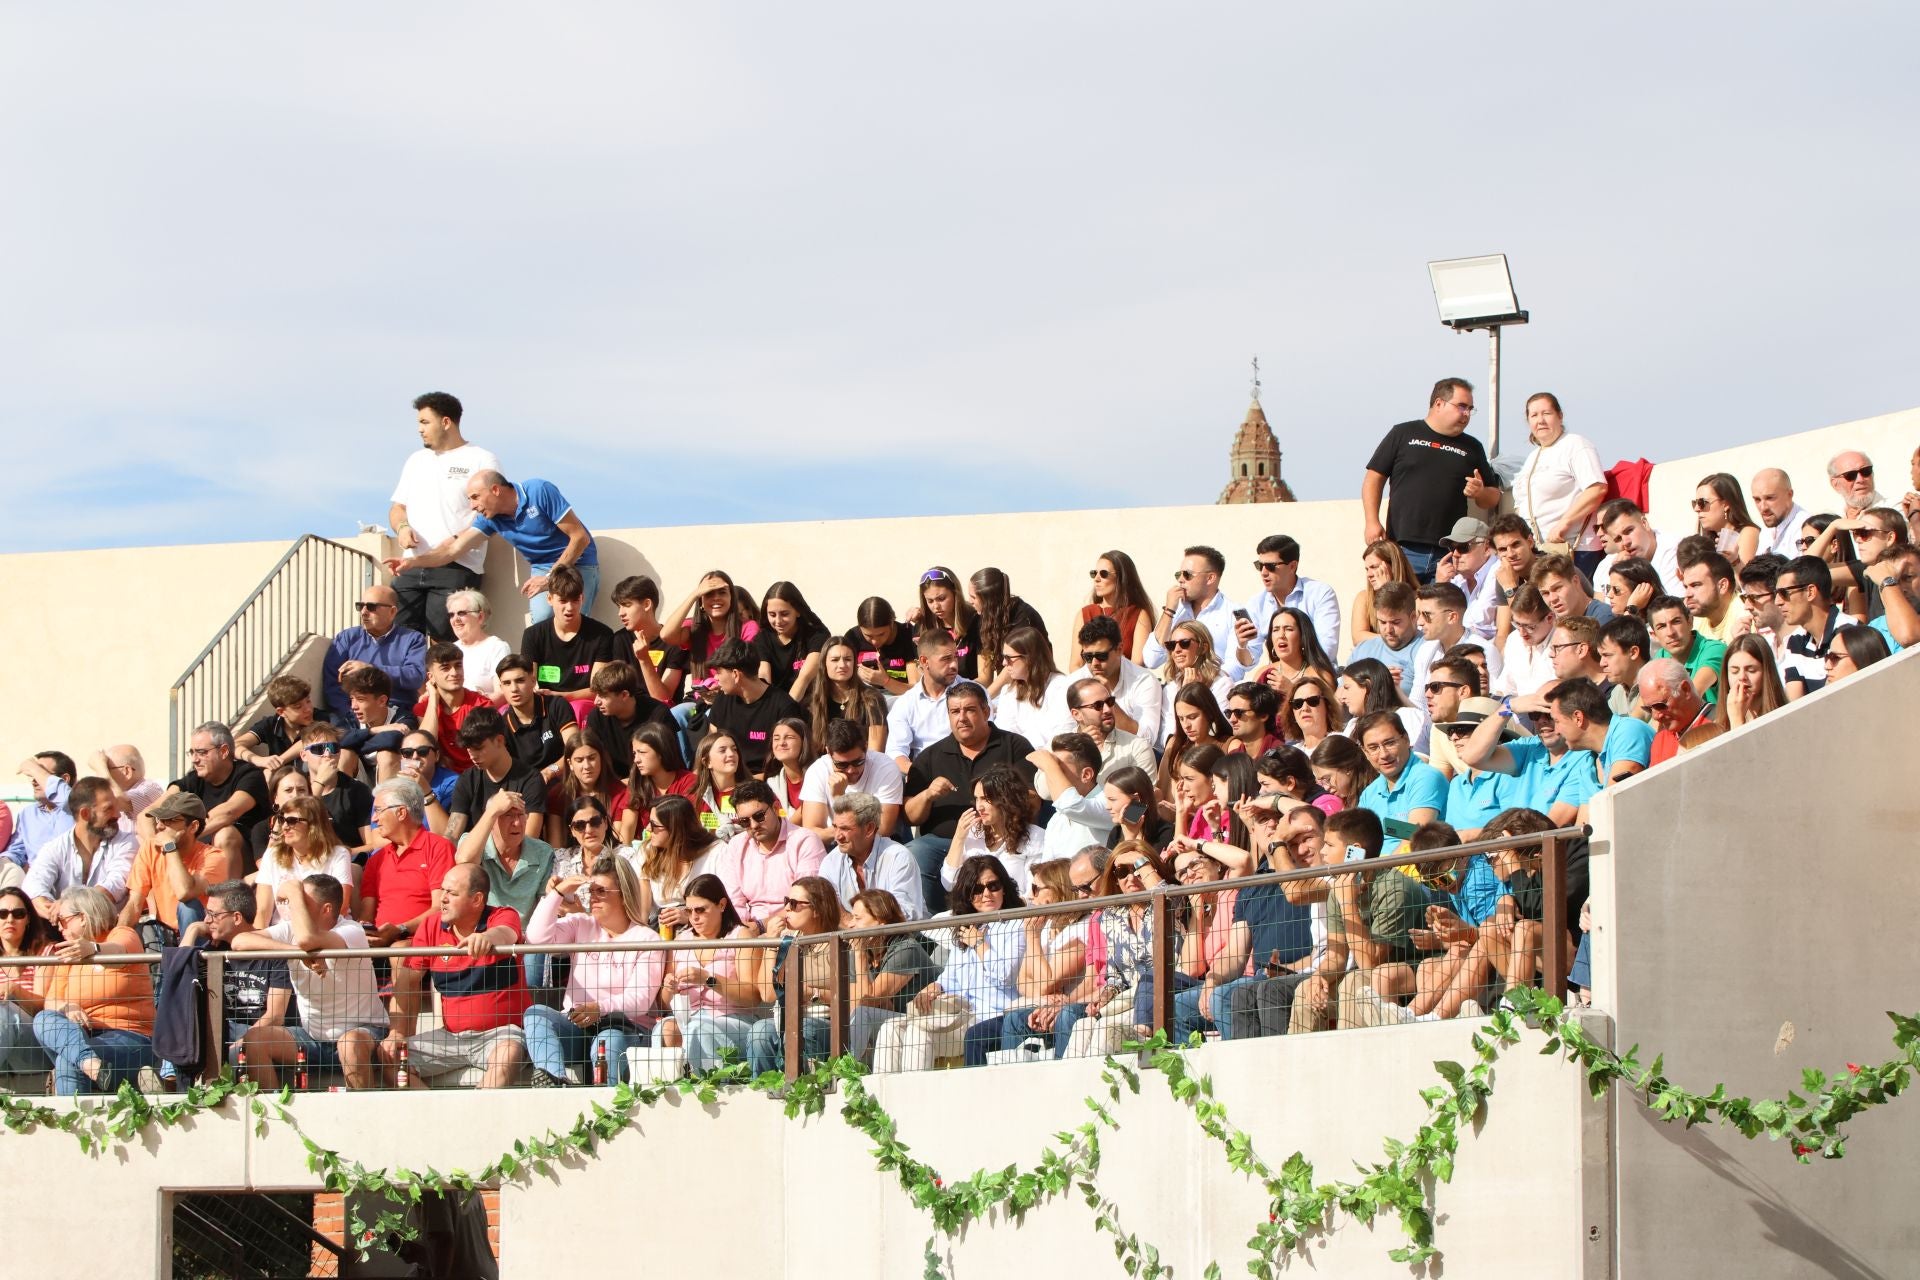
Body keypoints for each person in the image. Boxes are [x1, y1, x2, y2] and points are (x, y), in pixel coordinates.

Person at [381, 863, 531, 1089]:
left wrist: (487, 938)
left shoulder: (502, 915)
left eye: (451, 893)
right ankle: (437, 1111)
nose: (442, 898)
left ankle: (477, 1110)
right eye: (442, 890)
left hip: (502, 1036)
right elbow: (406, 982)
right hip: (450, 1038)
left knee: (508, 1054)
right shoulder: (431, 926)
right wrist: (397, 1032)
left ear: (477, 899)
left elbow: (506, 933)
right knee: (388, 1056)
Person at [1288, 808, 1438, 1033]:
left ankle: (1355, 1055)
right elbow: (1337, 956)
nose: (1323, 851)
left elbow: (1371, 963)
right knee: (1306, 990)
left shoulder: (1394, 888)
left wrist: (1348, 903)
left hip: (1415, 974)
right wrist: (1319, 976)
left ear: (1354, 852)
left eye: (1329, 845)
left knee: (1355, 983)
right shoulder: (1339, 887)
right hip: (1376, 975)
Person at [871, 855, 1026, 1072]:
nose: (986, 894)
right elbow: (950, 978)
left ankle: (915, 1092)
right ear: (967, 895)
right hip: (959, 1013)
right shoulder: (965, 928)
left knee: (919, 1033)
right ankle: (882, 1092)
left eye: (993, 886)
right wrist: (934, 987)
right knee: (891, 1027)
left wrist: (979, 944)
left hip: (992, 1016)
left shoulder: (1016, 926)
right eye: (977, 889)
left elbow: (1005, 977)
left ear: (1004, 888)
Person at [235, 873, 388, 1089]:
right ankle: (272, 1108)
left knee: (349, 1045)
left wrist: (292, 890)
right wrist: (296, 952)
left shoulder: (352, 930)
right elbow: (239, 941)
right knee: (254, 1040)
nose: (294, 908)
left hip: (363, 1034)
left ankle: (362, 1109)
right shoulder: (290, 930)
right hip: (313, 1038)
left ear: (326, 909)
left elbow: (308, 939)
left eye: (302, 901)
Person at [386, 470, 600, 622]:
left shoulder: (538, 490)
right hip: (542, 567)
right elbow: (453, 550)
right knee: (542, 622)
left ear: (495, 490)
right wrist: (411, 561)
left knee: (574, 621)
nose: (472, 506)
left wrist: (549, 578)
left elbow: (580, 538)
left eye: (475, 497)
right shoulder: (490, 519)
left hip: (578, 561)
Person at [523, 854, 663, 1087]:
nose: (593, 898)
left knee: (608, 1040)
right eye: (591, 891)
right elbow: (536, 938)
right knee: (536, 1013)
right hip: (577, 1024)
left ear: (623, 893)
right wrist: (557, 894)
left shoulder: (647, 938)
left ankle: (606, 1105)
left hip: (625, 1028)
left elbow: (640, 1000)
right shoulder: (581, 923)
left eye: (601, 891)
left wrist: (599, 1009)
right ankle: (555, 1083)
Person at [902, 682, 1037, 914]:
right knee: (916, 851)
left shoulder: (1014, 745)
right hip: (944, 842)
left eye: (970, 710)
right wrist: (928, 795)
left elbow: (1033, 799)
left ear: (986, 711)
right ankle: (935, 919)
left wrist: (1003, 815)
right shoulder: (930, 756)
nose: (961, 718)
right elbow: (909, 816)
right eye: (955, 711)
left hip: (1003, 836)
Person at [1361, 377, 1503, 581]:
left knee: (1445, 603)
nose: (1466, 414)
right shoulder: (1403, 434)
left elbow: (1493, 497)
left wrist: (1480, 492)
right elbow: (1373, 478)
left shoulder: (1472, 447)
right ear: (1438, 403)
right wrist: (1371, 521)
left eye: (1470, 409)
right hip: (1403, 548)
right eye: (1461, 406)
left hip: (1450, 552)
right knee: (1400, 601)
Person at [388, 391, 498, 640]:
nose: (420, 429)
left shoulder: (482, 458)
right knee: (401, 640)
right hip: (412, 564)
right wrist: (402, 527)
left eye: (425, 422)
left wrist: (457, 541)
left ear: (446, 422)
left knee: (445, 642)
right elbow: (397, 508)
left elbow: (491, 513)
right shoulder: (416, 460)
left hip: (457, 566)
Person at [31, 885, 157, 1094]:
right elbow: (50, 1001)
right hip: (81, 1035)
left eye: (62, 920)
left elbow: (118, 953)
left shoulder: (121, 934)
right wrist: (66, 1007)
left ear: (82, 917)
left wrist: (93, 949)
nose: (59, 928)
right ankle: (93, 1066)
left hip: (129, 1035)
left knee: (67, 1061)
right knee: (43, 1019)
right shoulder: (68, 954)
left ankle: (88, 1073)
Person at [656, 873, 763, 1071]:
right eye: (689, 911)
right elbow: (663, 1004)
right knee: (666, 1029)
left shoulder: (741, 937)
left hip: (734, 1020)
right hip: (689, 1019)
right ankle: (669, 1085)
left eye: (700, 910)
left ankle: (705, 1083)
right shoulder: (681, 941)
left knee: (698, 1029)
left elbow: (753, 997)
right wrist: (669, 988)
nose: (694, 917)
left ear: (722, 905)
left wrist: (708, 979)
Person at [745, 875, 843, 1074]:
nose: (786, 908)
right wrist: (772, 944)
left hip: (827, 1023)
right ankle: (765, 1088)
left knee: (802, 1029)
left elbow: (853, 995)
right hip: (786, 1019)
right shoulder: (787, 941)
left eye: (794, 903)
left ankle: (807, 1086)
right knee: (759, 1032)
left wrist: (812, 993)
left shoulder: (839, 943)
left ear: (817, 909)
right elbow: (768, 994)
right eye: (786, 901)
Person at [995, 860, 1091, 1056]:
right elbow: (1022, 982)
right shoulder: (1046, 927)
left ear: (1057, 889)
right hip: (1048, 1005)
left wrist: (1032, 938)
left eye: (1036, 888)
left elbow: (1045, 983)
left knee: (1016, 1019)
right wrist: (1044, 996)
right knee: (1013, 1020)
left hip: (1076, 1007)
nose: (1031, 896)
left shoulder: (1082, 927)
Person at [712, 780, 827, 928]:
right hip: (749, 930)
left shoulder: (805, 841)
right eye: (745, 821)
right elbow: (734, 902)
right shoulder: (736, 846)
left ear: (776, 808)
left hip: (794, 929)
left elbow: (804, 904)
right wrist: (742, 929)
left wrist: (760, 927)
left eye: (759, 816)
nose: (754, 825)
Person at [1513, 392, 1609, 570]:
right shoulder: (1532, 457)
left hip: (1575, 549)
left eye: (1546, 413)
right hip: (1541, 551)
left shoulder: (1576, 444)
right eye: (1534, 415)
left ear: (1560, 416)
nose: (1540, 420)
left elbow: (1597, 488)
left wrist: (1564, 523)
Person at [358, 777, 457, 947]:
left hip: (423, 940)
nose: (374, 819)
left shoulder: (438, 848)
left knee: (399, 949)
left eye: (379, 810)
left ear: (401, 813)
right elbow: (366, 914)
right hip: (379, 944)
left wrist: (401, 929)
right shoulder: (377, 860)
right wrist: (366, 932)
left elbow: (441, 908)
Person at [843, 890, 938, 1062]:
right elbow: (854, 1007)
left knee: (863, 1015)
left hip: (921, 1023)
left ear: (881, 922)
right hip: (891, 1023)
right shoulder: (858, 952)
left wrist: (859, 956)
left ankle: (848, 1069)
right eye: (852, 917)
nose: (850, 924)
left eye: (858, 918)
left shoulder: (906, 949)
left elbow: (868, 1001)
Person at [164, 722, 270, 876]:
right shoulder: (194, 780)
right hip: (203, 856)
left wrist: (181, 836)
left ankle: (229, 891)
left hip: (250, 862)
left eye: (201, 752)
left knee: (225, 834)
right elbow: (154, 810)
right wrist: (156, 839)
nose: (194, 759)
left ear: (224, 751)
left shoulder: (250, 775)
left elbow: (228, 812)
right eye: (192, 752)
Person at [118, 792, 229, 937]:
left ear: (193, 826)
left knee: (188, 906)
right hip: (164, 935)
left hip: (201, 936)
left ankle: (187, 952)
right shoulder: (151, 848)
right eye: (159, 819)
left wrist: (170, 848)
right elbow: (134, 904)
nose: (159, 826)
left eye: (169, 821)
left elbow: (184, 893)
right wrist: (117, 939)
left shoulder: (214, 857)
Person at [23, 776, 136, 916]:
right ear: (85, 814)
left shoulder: (127, 842)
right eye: (108, 809)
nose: (118, 815)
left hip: (110, 927)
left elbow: (116, 884)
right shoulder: (55, 848)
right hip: (62, 925)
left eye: (116, 807)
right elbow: (33, 887)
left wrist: (69, 906)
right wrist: (49, 910)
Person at [455, 790, 557, 940]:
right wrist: (492, 811)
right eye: (508, 816)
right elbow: (464, 861)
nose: (517, 823)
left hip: (527, 940)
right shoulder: (475, 844)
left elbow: (544, 906)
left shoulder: (543, 852)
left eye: (521, 815)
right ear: (491, 820)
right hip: (483, 937)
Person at [518, 565, 618, 710]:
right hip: (546, 705)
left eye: (575, 600)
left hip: (584, 705)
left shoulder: (602, 635)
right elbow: (527, 681)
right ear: (550, 599)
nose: (570, 608)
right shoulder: (533, 635)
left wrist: (563, 696)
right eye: (563, 601)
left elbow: (598, 689)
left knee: (578, 708)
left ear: (582, 598)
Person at [322, 583, 428, 721]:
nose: (364, 612)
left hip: (396, 713)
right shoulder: (347, 638)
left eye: (371, 607)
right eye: (360, 606)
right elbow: (332, 683)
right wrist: (349, 714)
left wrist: (372, 669)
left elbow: (415, 676)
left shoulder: (413, 639)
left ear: (392, 612)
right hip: (353, 715)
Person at [1142, 545, 1249, 678]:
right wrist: (1168, 611)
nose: (1180, 579)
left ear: (1210, 578)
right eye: (1178, 574)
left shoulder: (1235, 612)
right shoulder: (1175, 610)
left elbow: (1237, 667)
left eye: (1187, 574)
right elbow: (1151, 660)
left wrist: (1204, 683)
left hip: (1217, 688)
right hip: (1178, 687)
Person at [941, 763, 1046, 899]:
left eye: (986, 799)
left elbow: (1032, 894)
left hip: (1015, 909)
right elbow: (949, 883)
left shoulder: (1035, 836)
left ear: (1007, 800)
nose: (979, 807)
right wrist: (959, 838)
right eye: (977, 798)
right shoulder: (972, 833)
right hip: (974, 908)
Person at [705, 641, 808, 777]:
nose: (716, 678)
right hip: (727, 777)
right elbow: (710, 746)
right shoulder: (723, 699)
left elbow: (790, 765)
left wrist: (748, 782)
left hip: (767, 781)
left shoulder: (784, 707)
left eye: (718, 672)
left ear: (735, 674)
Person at [448, 708, 549, 843]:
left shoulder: (531, 780)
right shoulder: (467, 779)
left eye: (478, 748)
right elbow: (451, 836)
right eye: (468, 748)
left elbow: (529, 842)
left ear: (499, 740)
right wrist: (493, 811)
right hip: (477, 853)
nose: (472, 756)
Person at [819, 792, 926, 919]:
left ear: (869, 829)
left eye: (845, 829)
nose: (837, 836)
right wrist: (851, 924)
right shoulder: (831, 861)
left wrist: (857, 924)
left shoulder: (898, 857)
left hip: (902, 932)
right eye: (835, 827)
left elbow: (904, 914)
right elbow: (826, 908)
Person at [252, 794, 354, 926]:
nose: (285, 826)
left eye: (292, 821)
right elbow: (262, 911)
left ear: (314, 824)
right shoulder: (273, 854)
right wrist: (258, 937)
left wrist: (305, 933)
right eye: (282, 820)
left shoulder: (338, 854)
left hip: (329, 929)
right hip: (285, 929)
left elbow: (341, 907)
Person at [797, 719, 903, 844]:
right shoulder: (817, 771)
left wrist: (839, 799)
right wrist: (848, 831)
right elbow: (812, 833)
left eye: (858, 762)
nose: (851, 770)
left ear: (866, 748)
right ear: (828, 753)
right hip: (834, 845)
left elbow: (884, 830)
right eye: (842, 765)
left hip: (878, 845)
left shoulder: (885, 767)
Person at [1353, 712, 1446, 853]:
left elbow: (1415, 841)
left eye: (1389, 743)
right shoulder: (1369, 793)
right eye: (1373, 748)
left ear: (1406, 740)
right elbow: (1358, 845)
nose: (1384, 754)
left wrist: (1382, 868)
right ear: (1365, 752)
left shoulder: (1426, 777)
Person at [1243, 535, 1342, 662]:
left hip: (1316, 672)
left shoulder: (1320, 593)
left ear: (1292, 566)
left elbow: (1327, 649)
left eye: (1270, 566)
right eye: (1259, 565)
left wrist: (1293, 672)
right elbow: (1249, 659)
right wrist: (1241, 646)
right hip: (1278, 672)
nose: (1263, 572)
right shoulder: (1256, 603)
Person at [1066, 616, 1164, 745]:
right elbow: (1060, 734)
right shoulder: (1073, 682)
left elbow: (1147, 739)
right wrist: (1082, 739)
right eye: (1088, 657)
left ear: (1119, 649)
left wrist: (1109, 701)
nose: (1094, 663)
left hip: (1131, 754)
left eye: (1101, 656)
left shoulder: (1144, 681)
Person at [1775, 556, 1856, 699]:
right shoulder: (1795, 641)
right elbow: (1795, 705)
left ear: (1811, 592)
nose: (1777, 602)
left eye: (1784, 593)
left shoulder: (1849, 635)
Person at [1546, 678, 1654, 785]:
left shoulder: (1628, 731)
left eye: (1557, 721)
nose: (1556, 731)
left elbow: (1618, 793)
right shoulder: (1588, 762)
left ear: (1578, 718)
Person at [638, 795, 722, 932]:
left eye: (654, 825)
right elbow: (643, 909)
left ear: (674, 829)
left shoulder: (716, 852)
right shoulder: (648, 850)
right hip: (661, 928)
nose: (648, 828)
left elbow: (724, 903)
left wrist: (689, 916)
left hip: (705, 928)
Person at [582, 660, 678, 780]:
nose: (596, 701)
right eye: (596, 695)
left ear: (624, 695)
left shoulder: (658, 714)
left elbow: (667, 764)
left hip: (652, 781)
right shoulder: (596, 717)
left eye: (603, 696)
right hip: (614, 783)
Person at [496, 653, 581, 788]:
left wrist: (549, 772)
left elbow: (576, 750)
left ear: (533, 680)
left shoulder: (557, 705)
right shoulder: (502, 726)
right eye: (507, 683)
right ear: (501, 688)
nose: (514, 689)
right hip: (530, 788)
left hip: (566, 779)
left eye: (520, 680)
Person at [0, 885, 58, 1079]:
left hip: (34, 1044)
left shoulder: (44, 953)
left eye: (18, 914)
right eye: (2, 914)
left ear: (28, 919)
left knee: (4, 1012)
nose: (10, 919)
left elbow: (42, 1007)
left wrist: (15, 990)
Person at [1409, 581, 1499, 704]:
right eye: (1418, 615)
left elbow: (1492, 700)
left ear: (1452, 617)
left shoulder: (1485, 651)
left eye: (1427, 615)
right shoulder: (1425, 650)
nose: (1419, 622)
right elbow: (1418, 702)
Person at [415, 642, 493, 774]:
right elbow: (425, 745)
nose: (454, 672)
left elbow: (487, 752)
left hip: (478, 773)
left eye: (458, 665)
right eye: (445, 668)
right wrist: (433, 699)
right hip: (442, 776)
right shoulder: (423, 708)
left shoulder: (482, 704)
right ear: (431, 677)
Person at [1032, 734, 1115, 859]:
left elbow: (1071, 806)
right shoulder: (1056, 819)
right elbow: (1047, 867)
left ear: (1086, 775)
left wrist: (1049, 765)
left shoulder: (1110, 803)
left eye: (1058, 770)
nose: (1052, 775)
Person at [965, 566, 1049, 688]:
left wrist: (987, 695)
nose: (970, 601)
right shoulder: (984, 619)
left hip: (1036, 685)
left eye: (973, 597)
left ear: (989, 600)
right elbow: (985, 675)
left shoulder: (1022, 616)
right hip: (1010, 689)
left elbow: (1013, 664)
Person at [988, 626, 1073, 746]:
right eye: (1003, 657)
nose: (1004, 663)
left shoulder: (1062, 687)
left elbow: (1061, 733)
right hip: (1016, 754)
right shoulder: (1008, 691)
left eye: (1009, 658)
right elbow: (1004, 733)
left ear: (1030, 658)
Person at [617, 722, 698, 843]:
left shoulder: (689, 781)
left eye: (642, 752)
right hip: (644, 848)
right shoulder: (637, 782)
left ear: (661, 752)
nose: (636, 760)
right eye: (634, 753)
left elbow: (690, 826)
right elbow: (627, 828)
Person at [810, 637, 891, 756]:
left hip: (863, 764)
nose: (842, 665)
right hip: (825, 766)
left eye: (848, 659)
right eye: (835, 660)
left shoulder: (872, 699)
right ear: (824, 663)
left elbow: (876, 752)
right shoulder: (813, 702)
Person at [1065, 677, 1155, 781]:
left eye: (1109, 701)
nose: (1107, 709)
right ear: (1076, 714)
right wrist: (1077, 751)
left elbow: (1145, 790)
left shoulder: (1137, 747)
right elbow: (1051, 789)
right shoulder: (1061, 749)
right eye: (1098, 705)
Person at [1157, 621, 1234, 742]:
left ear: (1203, 648)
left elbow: (1219, 730)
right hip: (1181, 749)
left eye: (1184, 643)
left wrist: (1192, 696)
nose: (1176, 650)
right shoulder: (1170, 688)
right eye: (1171, 645)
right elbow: (1166, 735)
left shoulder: (1222, 684)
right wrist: (1183, 693)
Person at [753, 581, 832, 698]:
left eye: (784, 614)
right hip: (776, 701)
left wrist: (788, 707)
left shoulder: (817, 635)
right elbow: (764, 676)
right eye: (772, 615)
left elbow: (804, 678)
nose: (778, 621)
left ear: (798, 611)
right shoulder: (762, 638)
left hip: (810, 700)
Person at [1336, 659, 1429, 756]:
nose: (1343, 696)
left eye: (1347, 688)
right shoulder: (1353, 726)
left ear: (1367, 685)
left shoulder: (1406, 716)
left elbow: (1419, 757)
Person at [5, 751, 77, 876]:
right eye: (32, 775)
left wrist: (33, 767)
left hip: (74, 882)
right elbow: (16, 851)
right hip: (38, 882)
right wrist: (5, 861)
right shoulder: (27, 814)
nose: (34, 781)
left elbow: (68, 798)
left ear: (64, 779)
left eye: (40, 774)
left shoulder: (79, 808)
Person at [1249, 607, 1339, 705]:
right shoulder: (1264, 674)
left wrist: (1292, 690)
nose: (1281, 635)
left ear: (1303, 637)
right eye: (1275, 630)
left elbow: (1329, 710)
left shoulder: (1320, 676)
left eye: (1288, 629)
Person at [1077, 550, 1154, 663]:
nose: (1096, 579)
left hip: (1126, 675)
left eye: (1103, 574)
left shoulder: (1138, 614)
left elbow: (1137, 664)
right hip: (1090, 675)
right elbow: (1076, 664)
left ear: (1122, 578)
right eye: (1094, 573)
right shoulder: (1086, 613)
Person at [1595, 500, 1684, 597]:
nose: (1625, 542)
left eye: (1629, 531)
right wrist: (1620, 575)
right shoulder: (1609, 564)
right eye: (1618, 538)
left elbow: (1673, 603)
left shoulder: (1677, 551)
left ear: (1644, 523)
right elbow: (1602, 604)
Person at [1348, 582, 1422, 696]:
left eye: (1395, 622)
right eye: (1382, 622)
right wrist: (1375, 682)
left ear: (1413, 617)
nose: (1388, 630)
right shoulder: (1362, 650)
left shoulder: (1426, 649)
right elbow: (1341, 695)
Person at [1434, 518, 1503, 639]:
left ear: (1486, 548)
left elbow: (1476, 623)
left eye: (1463, 547)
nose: (1455, 554)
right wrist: (1440, 587)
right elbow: (1431, 623)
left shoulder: (1499, 572)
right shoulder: (1456, 580)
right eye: (1452, 548)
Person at [1647, 596, 1725, 704]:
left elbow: (1690, 697)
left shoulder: (1714, 650)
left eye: (1676, 622)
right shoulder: (1660, 658)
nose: (1670, 632)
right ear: (1654, 635)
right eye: (1662, 626)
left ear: (1690, 622)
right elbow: (1644, 705)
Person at [1638, 659, 1715, 766]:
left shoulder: (1720, 721)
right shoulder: (1660, 741)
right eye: (1648, 709)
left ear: (1685, 690)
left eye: (1660, 705)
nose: (1656, 716)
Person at [236, 677, 320, 772]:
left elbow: (311, 740)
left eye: (308, 701)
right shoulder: (271, 724)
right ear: (281, 712)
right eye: (298, 706)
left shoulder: (321, 718)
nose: (308, 709)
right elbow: (236, 745)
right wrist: (259, 760)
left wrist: (277, 763)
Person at [840, 596, 916, 699]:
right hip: (864, 698)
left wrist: (886, 681)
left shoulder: (907, 635)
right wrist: (855, 674)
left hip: (899, 699)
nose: (875, 641)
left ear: (892, 622)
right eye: (868, 636)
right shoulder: (853, 638)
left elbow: (915, 690)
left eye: (881, 634)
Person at [912, 566, 980, 678]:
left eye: (941, 598)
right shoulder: (922, 628)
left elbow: (985, 678)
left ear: (955, 594)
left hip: (970, 687)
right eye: (930, 601)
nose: (936, 606)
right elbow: (921, 677)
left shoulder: (976, 621)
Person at [446, 588, 512, 699]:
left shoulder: (496, 647)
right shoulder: (450, 649)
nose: (455, 619)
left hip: (483, 708)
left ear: (480, 617)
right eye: (451, 615)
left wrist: (473, 706)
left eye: (461, 613)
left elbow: (502, 693)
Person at [1497, 586, 1559, 698]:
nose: (1522, 633)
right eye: (1517, 624)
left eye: (1529, 627)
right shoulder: (1514, 639)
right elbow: (1504, 690)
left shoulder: (1562, 646)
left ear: (1550, 618)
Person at [1101, 765, 1174, 855]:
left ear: (1136, 799)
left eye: (1112, 799)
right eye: (1107, 799)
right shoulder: (1116, 833)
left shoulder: (1166, 833)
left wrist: (1130, 838)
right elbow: (1111, 864)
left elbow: (1148, 863)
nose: (1107, 806)